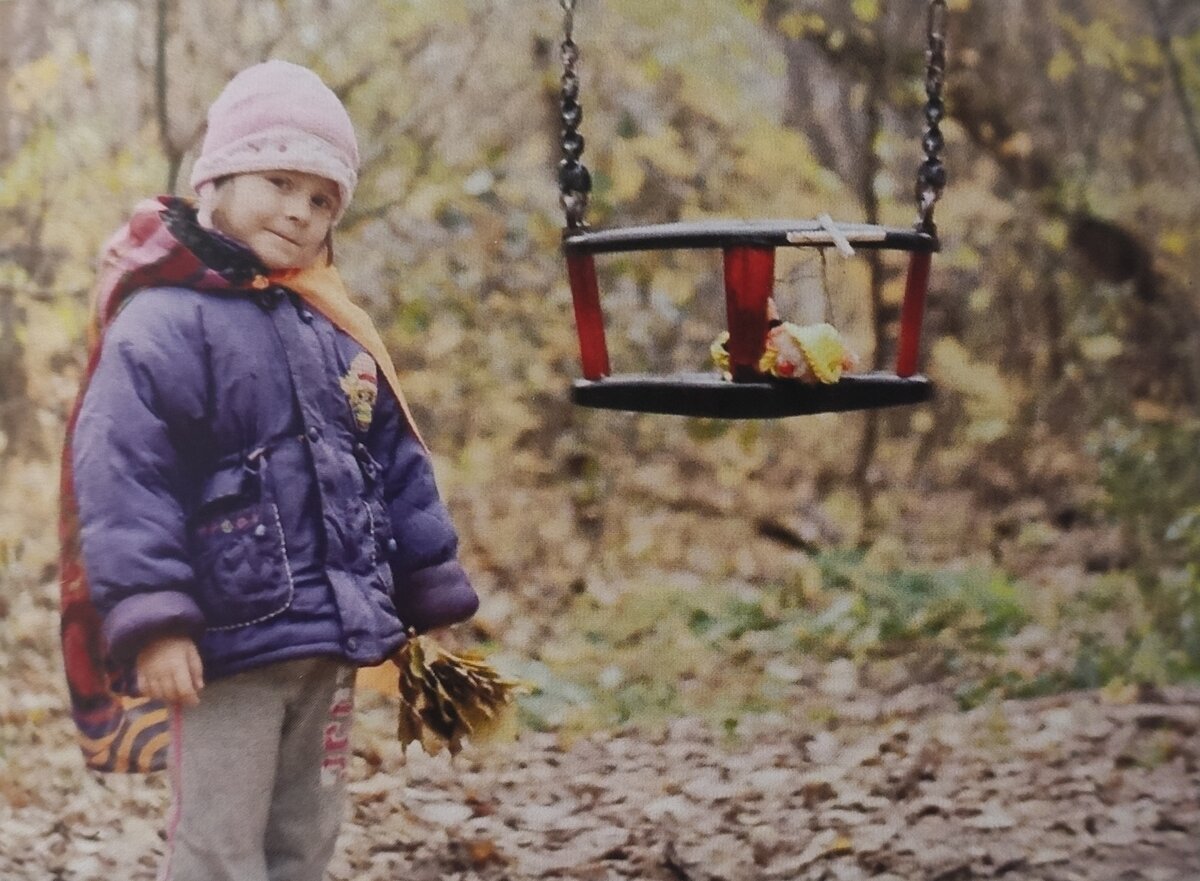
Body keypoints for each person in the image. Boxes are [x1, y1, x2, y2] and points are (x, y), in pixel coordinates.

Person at [61, 60, 478, 881]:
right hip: (224, 641)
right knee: (219, 843)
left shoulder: (331, 325)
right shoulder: (163, 320)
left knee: (305, 835)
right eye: (280, 180)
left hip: (332, 632)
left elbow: (391, 459)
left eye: (323, 198)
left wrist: (428, 587)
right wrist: (154, 618)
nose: (300, 210)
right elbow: (123, 476)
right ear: (216, 179)